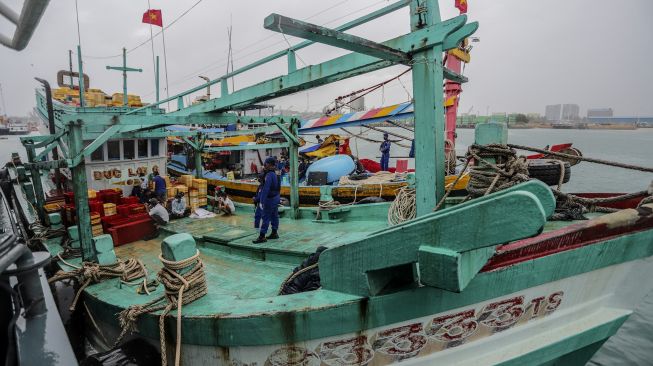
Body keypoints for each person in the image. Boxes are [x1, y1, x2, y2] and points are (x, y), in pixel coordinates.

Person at [252, 157, 280, 243]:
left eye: (266, 163)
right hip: (276, 197)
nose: (264, 165)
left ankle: (262, 236)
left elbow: (266, 189)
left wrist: (261, 201)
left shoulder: (269, 175)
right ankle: (274, 232)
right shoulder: (276, 174)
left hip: (269, 200)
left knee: (266, 217)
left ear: (269, 164)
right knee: (274, 216)